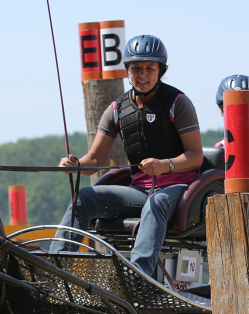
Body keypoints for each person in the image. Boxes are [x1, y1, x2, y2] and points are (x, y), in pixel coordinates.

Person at [50, 35, 203, 277]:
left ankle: (138, 277)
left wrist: (165, 165)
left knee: (156, 202)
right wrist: (75, 164)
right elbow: (95, 160)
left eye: (149, 69)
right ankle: (58, 265)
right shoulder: (116, 110)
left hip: (179, 190)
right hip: (139, 192)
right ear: (127, 70)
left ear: (160, 70)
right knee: (85, 197)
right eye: (136, 69)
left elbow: (196, 156)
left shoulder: (178, 103)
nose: (142, 75)